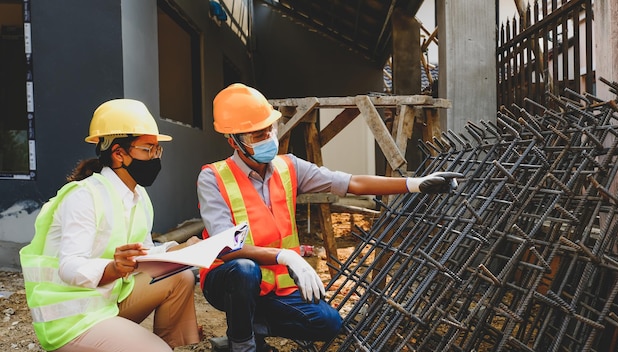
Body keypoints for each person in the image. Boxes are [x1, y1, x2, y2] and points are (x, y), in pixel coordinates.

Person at [197, 83, 462, 352]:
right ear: (233, 141)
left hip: (275, 287)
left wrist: (415, 184)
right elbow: (227, 247)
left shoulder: (288, 167)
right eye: (257, 135)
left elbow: (351, 183)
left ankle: (249, 329)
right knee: (245, 269)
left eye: (270, 129)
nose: (268, 138)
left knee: (328, 323)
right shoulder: (213, 177)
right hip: (229, 280)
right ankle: (242, 346)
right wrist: (285, 256)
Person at [19, 99, 201, 352]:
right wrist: (114, 268)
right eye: (148, 150)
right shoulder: (84, 196)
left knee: (179, 276)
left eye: (157, 150)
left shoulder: (138, 196)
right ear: (118, 153)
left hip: (107, 302)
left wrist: (178, 249)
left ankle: (166, 345)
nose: (155, 157)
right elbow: (69, 267)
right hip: (72, 319)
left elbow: (143, 253)